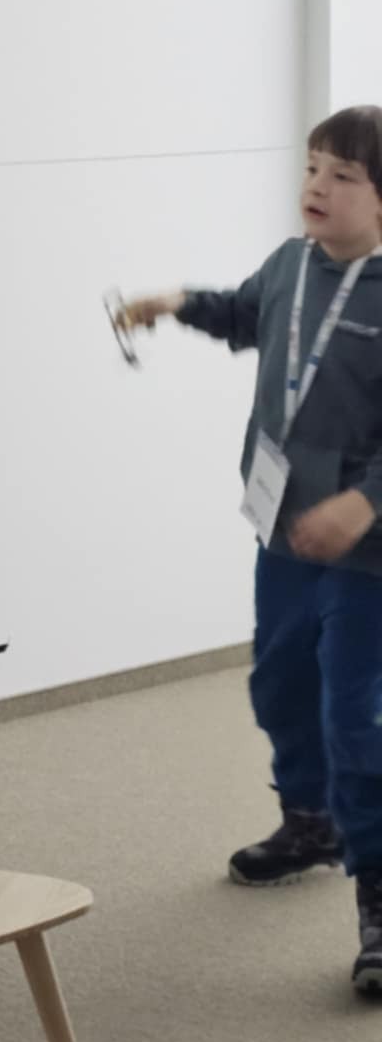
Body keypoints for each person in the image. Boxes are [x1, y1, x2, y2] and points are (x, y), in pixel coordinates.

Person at [119, 106, 382, 993]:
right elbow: (242, 313)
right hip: (285, 531)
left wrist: (363, 502)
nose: (317, 186)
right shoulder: (289, 266)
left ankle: (378, 894)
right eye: (312, 168)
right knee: (279, 682)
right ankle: (310, 822)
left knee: (356, 716)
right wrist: (175, 304)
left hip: (367, 552)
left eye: (342, 176)